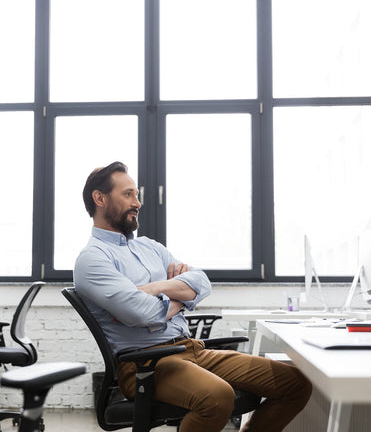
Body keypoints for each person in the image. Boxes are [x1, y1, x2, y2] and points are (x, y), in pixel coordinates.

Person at [73, 161, 312, 432]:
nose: (137, 202)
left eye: (137, 195)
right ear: (99, 198)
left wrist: (153, 289)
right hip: (147, 365)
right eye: (128, 194)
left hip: (192, 349)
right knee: (217, 396)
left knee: (294, 384)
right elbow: (143, 314)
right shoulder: (92, 260)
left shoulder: (150, 247)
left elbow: (201, 283)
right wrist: (179, 294)